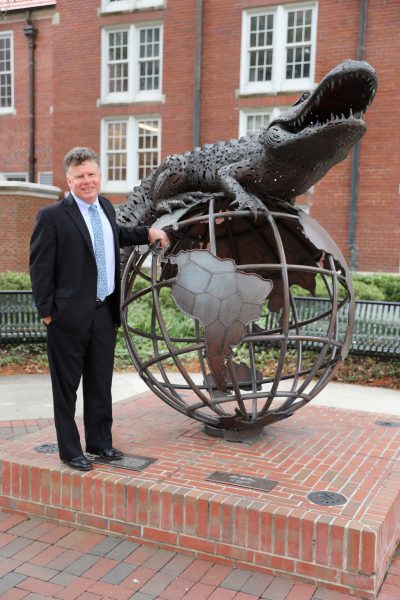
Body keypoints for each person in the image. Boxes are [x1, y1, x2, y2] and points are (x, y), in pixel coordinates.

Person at [29, 146, 169, 471]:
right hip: (67, 318)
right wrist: (48, 313)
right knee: (66, 389)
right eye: (80, 176)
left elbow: (113, 236)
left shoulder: (105, 207)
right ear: (69, 179)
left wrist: (146, 233)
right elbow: (39, 268)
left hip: (103, 312)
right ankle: (69, 450)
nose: (87, 181)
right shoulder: (51, 217)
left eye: (92, 174)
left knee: (99, 382)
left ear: (99, 175)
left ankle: (99, 442)